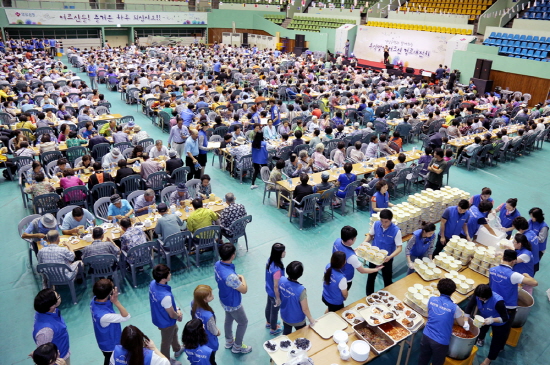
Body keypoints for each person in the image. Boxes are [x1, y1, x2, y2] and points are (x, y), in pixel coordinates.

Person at [489, 250, 538, 345]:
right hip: (507, 306)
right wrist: (527, 275)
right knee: (504, 330)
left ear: (503, 258)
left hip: (493, 302)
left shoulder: (492, 270)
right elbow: (534, 283)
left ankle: (481, 339)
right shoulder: (514, 275)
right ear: (513, 261)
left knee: (490, 321)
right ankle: (499, 346)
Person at [214, 243, 252, 354]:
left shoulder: (217, 264)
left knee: (229, 319)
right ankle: (237, 346)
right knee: (243, 322)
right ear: (233, 256)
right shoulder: (231, 277)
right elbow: (244, 290)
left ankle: (229, 341)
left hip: (223, 298)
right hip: (233, 302)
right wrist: (242, 278)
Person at [417, 279, 465, 365]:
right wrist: (466, 318)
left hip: (426, 336)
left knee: (423, 358)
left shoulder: (431, 299)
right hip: (441, 341)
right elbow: (461, 323)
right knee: (437, 362)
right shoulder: (455, 308)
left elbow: (430, 314)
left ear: (438, 288)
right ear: (453, 292)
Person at [464, 285, 509, 365]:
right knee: (481, 331)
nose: (479, 299)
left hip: (499, 322)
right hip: (484, 317)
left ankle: (488, 360)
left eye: (481, 298)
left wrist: (492, 320)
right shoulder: (478, 295)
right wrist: (466, 321)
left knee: (496, 342)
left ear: (487, 297)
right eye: (478, 297)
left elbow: (505, 318)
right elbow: (469, 307)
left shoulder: (498, 301)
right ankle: (480, 339)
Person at [149, 264, 184, 364]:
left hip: (158, 316)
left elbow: (167, 305)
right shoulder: (165, 296)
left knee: (175, 329)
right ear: (164, 278)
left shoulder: (152, 284)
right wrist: (179, 314)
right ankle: (166, 360)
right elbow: (172, 315)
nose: (170, 274)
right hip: (166, 322)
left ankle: (177, 349)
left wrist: (176, 308)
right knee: (166, 342)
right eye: (169, 273)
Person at [90, 279, 131, 365]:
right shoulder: (105, 316)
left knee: (108, 360)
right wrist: (116, 301)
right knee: (110, 360)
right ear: (109, 293)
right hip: (110, 345)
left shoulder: (94, 301)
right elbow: (126, 316)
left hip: (102, 340)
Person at [365, 209, 403, 295]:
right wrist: (364, 243)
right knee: (371, 277)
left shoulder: (396, 231)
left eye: (386, 222)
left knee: (387, 278)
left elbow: (399, 248)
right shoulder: (376, 224)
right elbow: (370, 235)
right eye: (382, 221)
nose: (383, 224)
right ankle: (369, 295)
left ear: (391, 220)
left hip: (387, 259)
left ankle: (388, 295)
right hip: (373, 256)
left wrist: (390, 257)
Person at [332, 226, 382, 290]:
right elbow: (362, 270)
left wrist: (352, 251)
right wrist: (376, 269)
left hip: (335, 272)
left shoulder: (337, 241)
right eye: (355, 238)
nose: (355, 239)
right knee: (341, 295)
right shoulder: (351, 257)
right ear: (350, 240)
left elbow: (342, 251)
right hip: (345, 279)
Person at [33, 289, 71, 364]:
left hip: (63, 351)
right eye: (58, 297)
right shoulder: (46, 331)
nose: (60, 296)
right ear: (52, 305)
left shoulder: (49, 311)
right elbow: (44, 355)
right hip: (59, 361)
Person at [278, 261, 316, 335]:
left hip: (285, 315)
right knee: (302, 335)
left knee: (286, 333)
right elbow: (305, 309)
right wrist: (311, 319)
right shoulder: (301, 290)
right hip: (298, 320)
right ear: (300, 274)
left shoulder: (281, 280)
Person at [190, 285, 220, 360]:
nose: (212, 296)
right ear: (204, 300)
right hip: (209, 342)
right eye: (210, 295)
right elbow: (214, 331)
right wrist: (218, 332)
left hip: (198, 338)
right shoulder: (208, 316)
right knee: (211, 360)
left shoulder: (193, 303)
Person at [265, 243, 285, 336]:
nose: (285, 253)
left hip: (268, 289)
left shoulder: (269, 261)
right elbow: (276, 286)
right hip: (274, 293)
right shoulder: (277, 270)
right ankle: (273, 328)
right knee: (275, 311)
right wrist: (278, 298)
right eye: (283, 251)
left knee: (269, 306)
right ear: (279, 254)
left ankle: (268, 322)